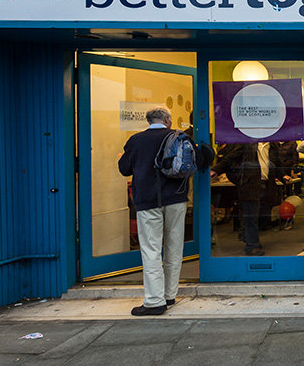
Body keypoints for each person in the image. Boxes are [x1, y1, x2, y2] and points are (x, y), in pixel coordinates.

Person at [118, 106, 200, 316]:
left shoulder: (136, 140)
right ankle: (169, 295)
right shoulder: (180, 137)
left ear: (149, 121)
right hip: (176, 199)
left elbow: (124, 168)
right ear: (166, 119)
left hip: (148, 200)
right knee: (174, 246)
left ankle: (154, 301)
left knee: (151, 249)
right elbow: (197, 161)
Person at [209, 142, 288, 256]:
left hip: (267, 186)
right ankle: (252, 246)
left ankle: (246, 235)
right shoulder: (247, 144)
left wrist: (283, 176)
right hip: (250, 185)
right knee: (251, 217)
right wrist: (216, 170)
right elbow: (230, 158)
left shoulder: (272, 146)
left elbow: (276, 165)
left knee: (265, 215)